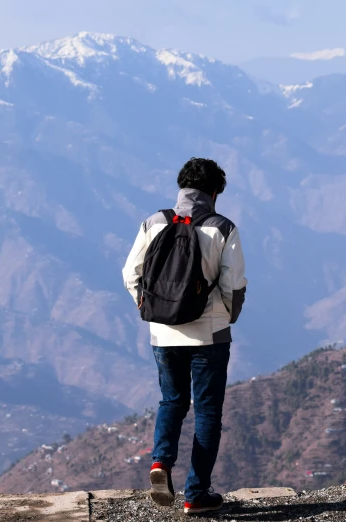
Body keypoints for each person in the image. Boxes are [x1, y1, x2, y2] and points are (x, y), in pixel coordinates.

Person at [122, 157, 247, 515]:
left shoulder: (154, 222)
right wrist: (226, 317)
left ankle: (160, 462)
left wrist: (151, 309)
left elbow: (131, 273)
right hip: (209, 334)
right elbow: (233, 285)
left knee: (172, 401)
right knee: (208, 413)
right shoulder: (222, 228)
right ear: (213, 193)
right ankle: (196, 494)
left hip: (162, 334)